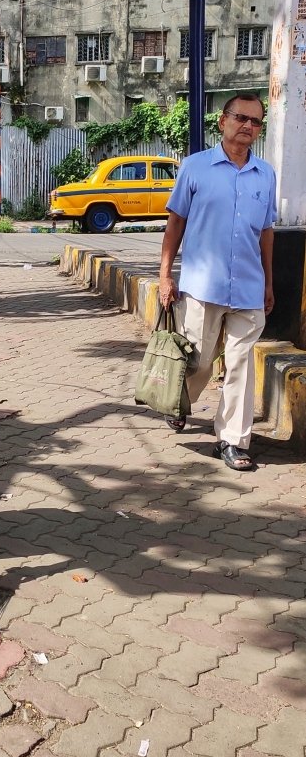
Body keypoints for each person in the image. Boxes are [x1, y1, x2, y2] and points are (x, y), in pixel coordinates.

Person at [159, 92, 276, 472]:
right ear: (222, 121)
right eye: (241, 118)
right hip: (202, 285)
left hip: (248, 287)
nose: (247, 126)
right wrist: (165, 275)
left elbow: (266, 232)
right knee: (199, 360)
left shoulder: (266, 174)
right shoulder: (195, 168)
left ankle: (232, 440)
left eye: (255, 121)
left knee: (241, 364)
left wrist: (268, 283)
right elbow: (175, 223)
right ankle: (179, 402)